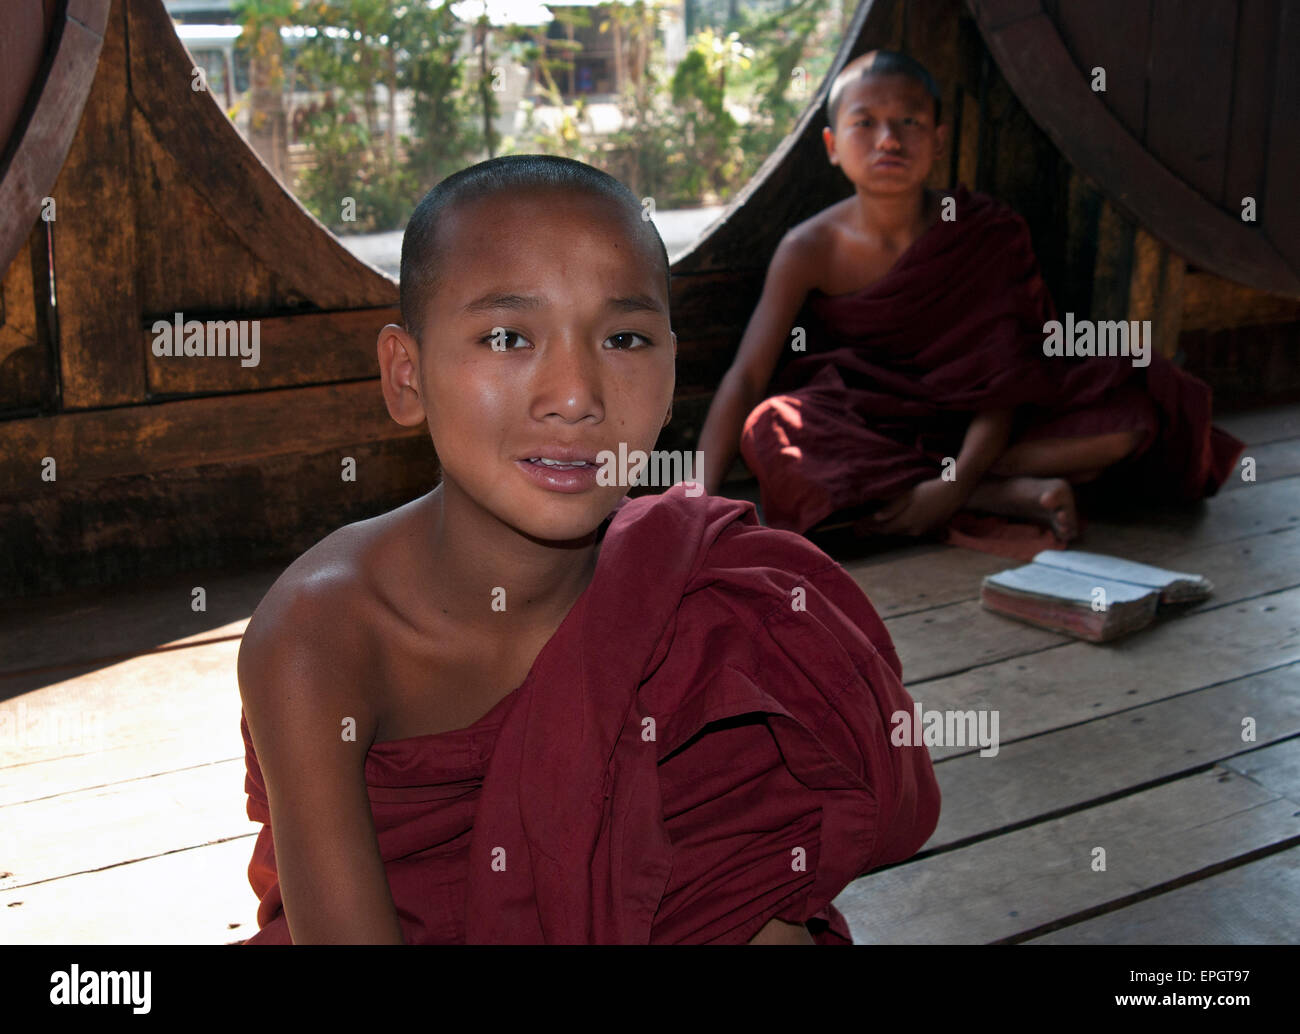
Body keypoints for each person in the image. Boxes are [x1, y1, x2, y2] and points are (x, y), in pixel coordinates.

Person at [237, 154, 940, 944]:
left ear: (672, 373)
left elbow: (745, 878)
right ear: (406, 376)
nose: (574, 396)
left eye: (625, 338)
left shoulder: (701, 599)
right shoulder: (319, 635)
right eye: (508, 336)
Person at [697, 50, 1243, 546]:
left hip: (991, 424)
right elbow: (747, 377)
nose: (888, 139)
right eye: (865, 122)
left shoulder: (986, 231)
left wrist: (954, 481)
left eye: (909, 122)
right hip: (871, 420)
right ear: (833, 146)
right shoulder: (809, 247)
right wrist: (693, 500)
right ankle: (1002, 493)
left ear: (938, 139)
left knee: (1131, 416)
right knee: (772, 426)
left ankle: (931, 487)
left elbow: (1005, 379)